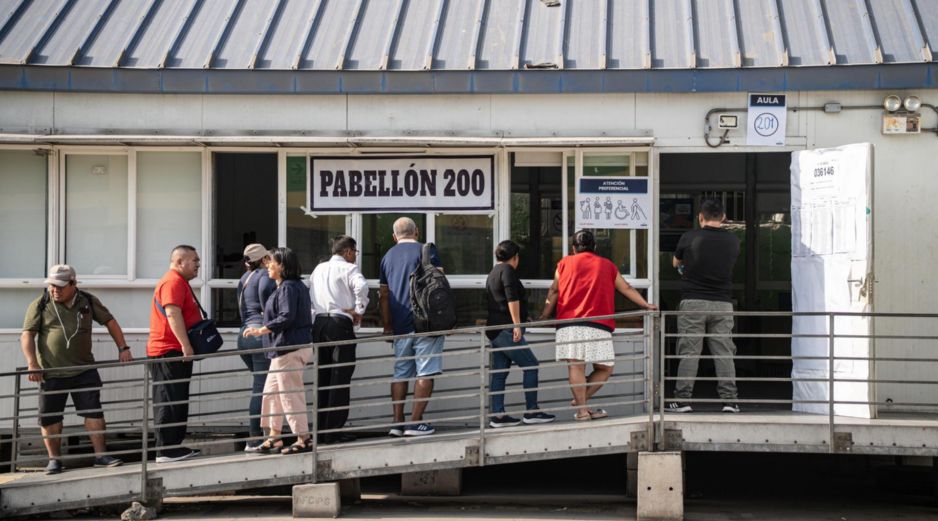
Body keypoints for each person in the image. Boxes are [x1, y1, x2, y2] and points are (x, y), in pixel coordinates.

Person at [21, 265, 131, 474]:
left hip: (84, 370)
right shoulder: (41, 304)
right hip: (52, 373)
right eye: (52, 285)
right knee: (50, 417)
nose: (55, 290)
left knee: (94, 413)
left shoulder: (87, 301)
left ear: (73, 283)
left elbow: (110, 321)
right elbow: (27, 335)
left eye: (60, 286)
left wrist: (123, 348)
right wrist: (32, 363)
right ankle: (54, 460)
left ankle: (101, 456)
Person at [540, 230, 657, 421]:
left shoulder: (564, 264)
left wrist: (545, 315)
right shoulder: (606, 265)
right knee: (605, 368)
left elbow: (554, 290)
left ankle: (582, 407)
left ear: (573, 248)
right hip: (598, 324)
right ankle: (582, 405)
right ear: (595, 247)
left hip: (568, 324)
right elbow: (625, 287)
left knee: (576, 367)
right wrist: (645, 304)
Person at [668, 198, 741, 413]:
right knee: (724, 352)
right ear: (724, 217)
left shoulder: (690, 236)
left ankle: (682, 401)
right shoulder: (733, 241)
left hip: (693, 303)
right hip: (723, 303)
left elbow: (675, 262)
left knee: (690, 352)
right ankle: (730, 401)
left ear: (701, 216)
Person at [243, 247, 314, 454]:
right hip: (281, 350)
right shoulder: (286, 286)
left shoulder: (289, 287)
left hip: (288, 349)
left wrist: (261, 330)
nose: (267, 266)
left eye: (271, 262)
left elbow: (286, 316)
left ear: (282, 265)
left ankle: (303, 438)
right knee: (271, 394)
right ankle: (274, 437)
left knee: (289, 394)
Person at [379, 217, 444, 437]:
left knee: (401, 373)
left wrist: (388, 326)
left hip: (400, 326)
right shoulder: (427, 251)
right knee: (425, 371)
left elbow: (384, 295)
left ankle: (397, 423)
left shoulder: (387, 257)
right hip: (426, 323)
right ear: (416, 231)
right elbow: (440, 286)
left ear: (394, 236)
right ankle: (416, 423)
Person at [485, 241, 555, 428]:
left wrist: (525, 318)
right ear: (515, 257)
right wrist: (517, 324)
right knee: (531, 365)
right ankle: (531, 411)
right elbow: (511, 298)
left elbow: (500, 301)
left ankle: (497, 415)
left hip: (495, 330)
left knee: (499, 373)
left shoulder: (493, 273)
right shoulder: (507, 271)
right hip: (506, 329)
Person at [310, 235, 368, 444]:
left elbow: (311, 296)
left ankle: (320, 430)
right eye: (355, 252)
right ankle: (333, 431)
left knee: (322, 377)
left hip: (319, 324)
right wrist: (359, 310)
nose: (355, 257)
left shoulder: (318, 269)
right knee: (340, 377)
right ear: (348, 252)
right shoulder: (349, 269)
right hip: (339, 323)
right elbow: (362, 288)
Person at [148, 245, 203, 463]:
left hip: (172, 350)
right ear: (179, 262)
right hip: (168, 350)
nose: (198, 264)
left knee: (177, 397)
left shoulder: (179, 282)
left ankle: (173, 447)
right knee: (169, 398)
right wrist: (186, 345)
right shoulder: (173, 281)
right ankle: (166, 449)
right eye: (194, 260)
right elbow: (172, 313)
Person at [236, 243, 276, 453]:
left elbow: (242, 309)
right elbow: (268, 307)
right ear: (263, 260)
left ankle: (267, 434)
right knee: (261, 388)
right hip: (259, 336)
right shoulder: (265, 277)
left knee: (262, 385)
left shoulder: (244, 279)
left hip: (244, 336)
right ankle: (254, 440)